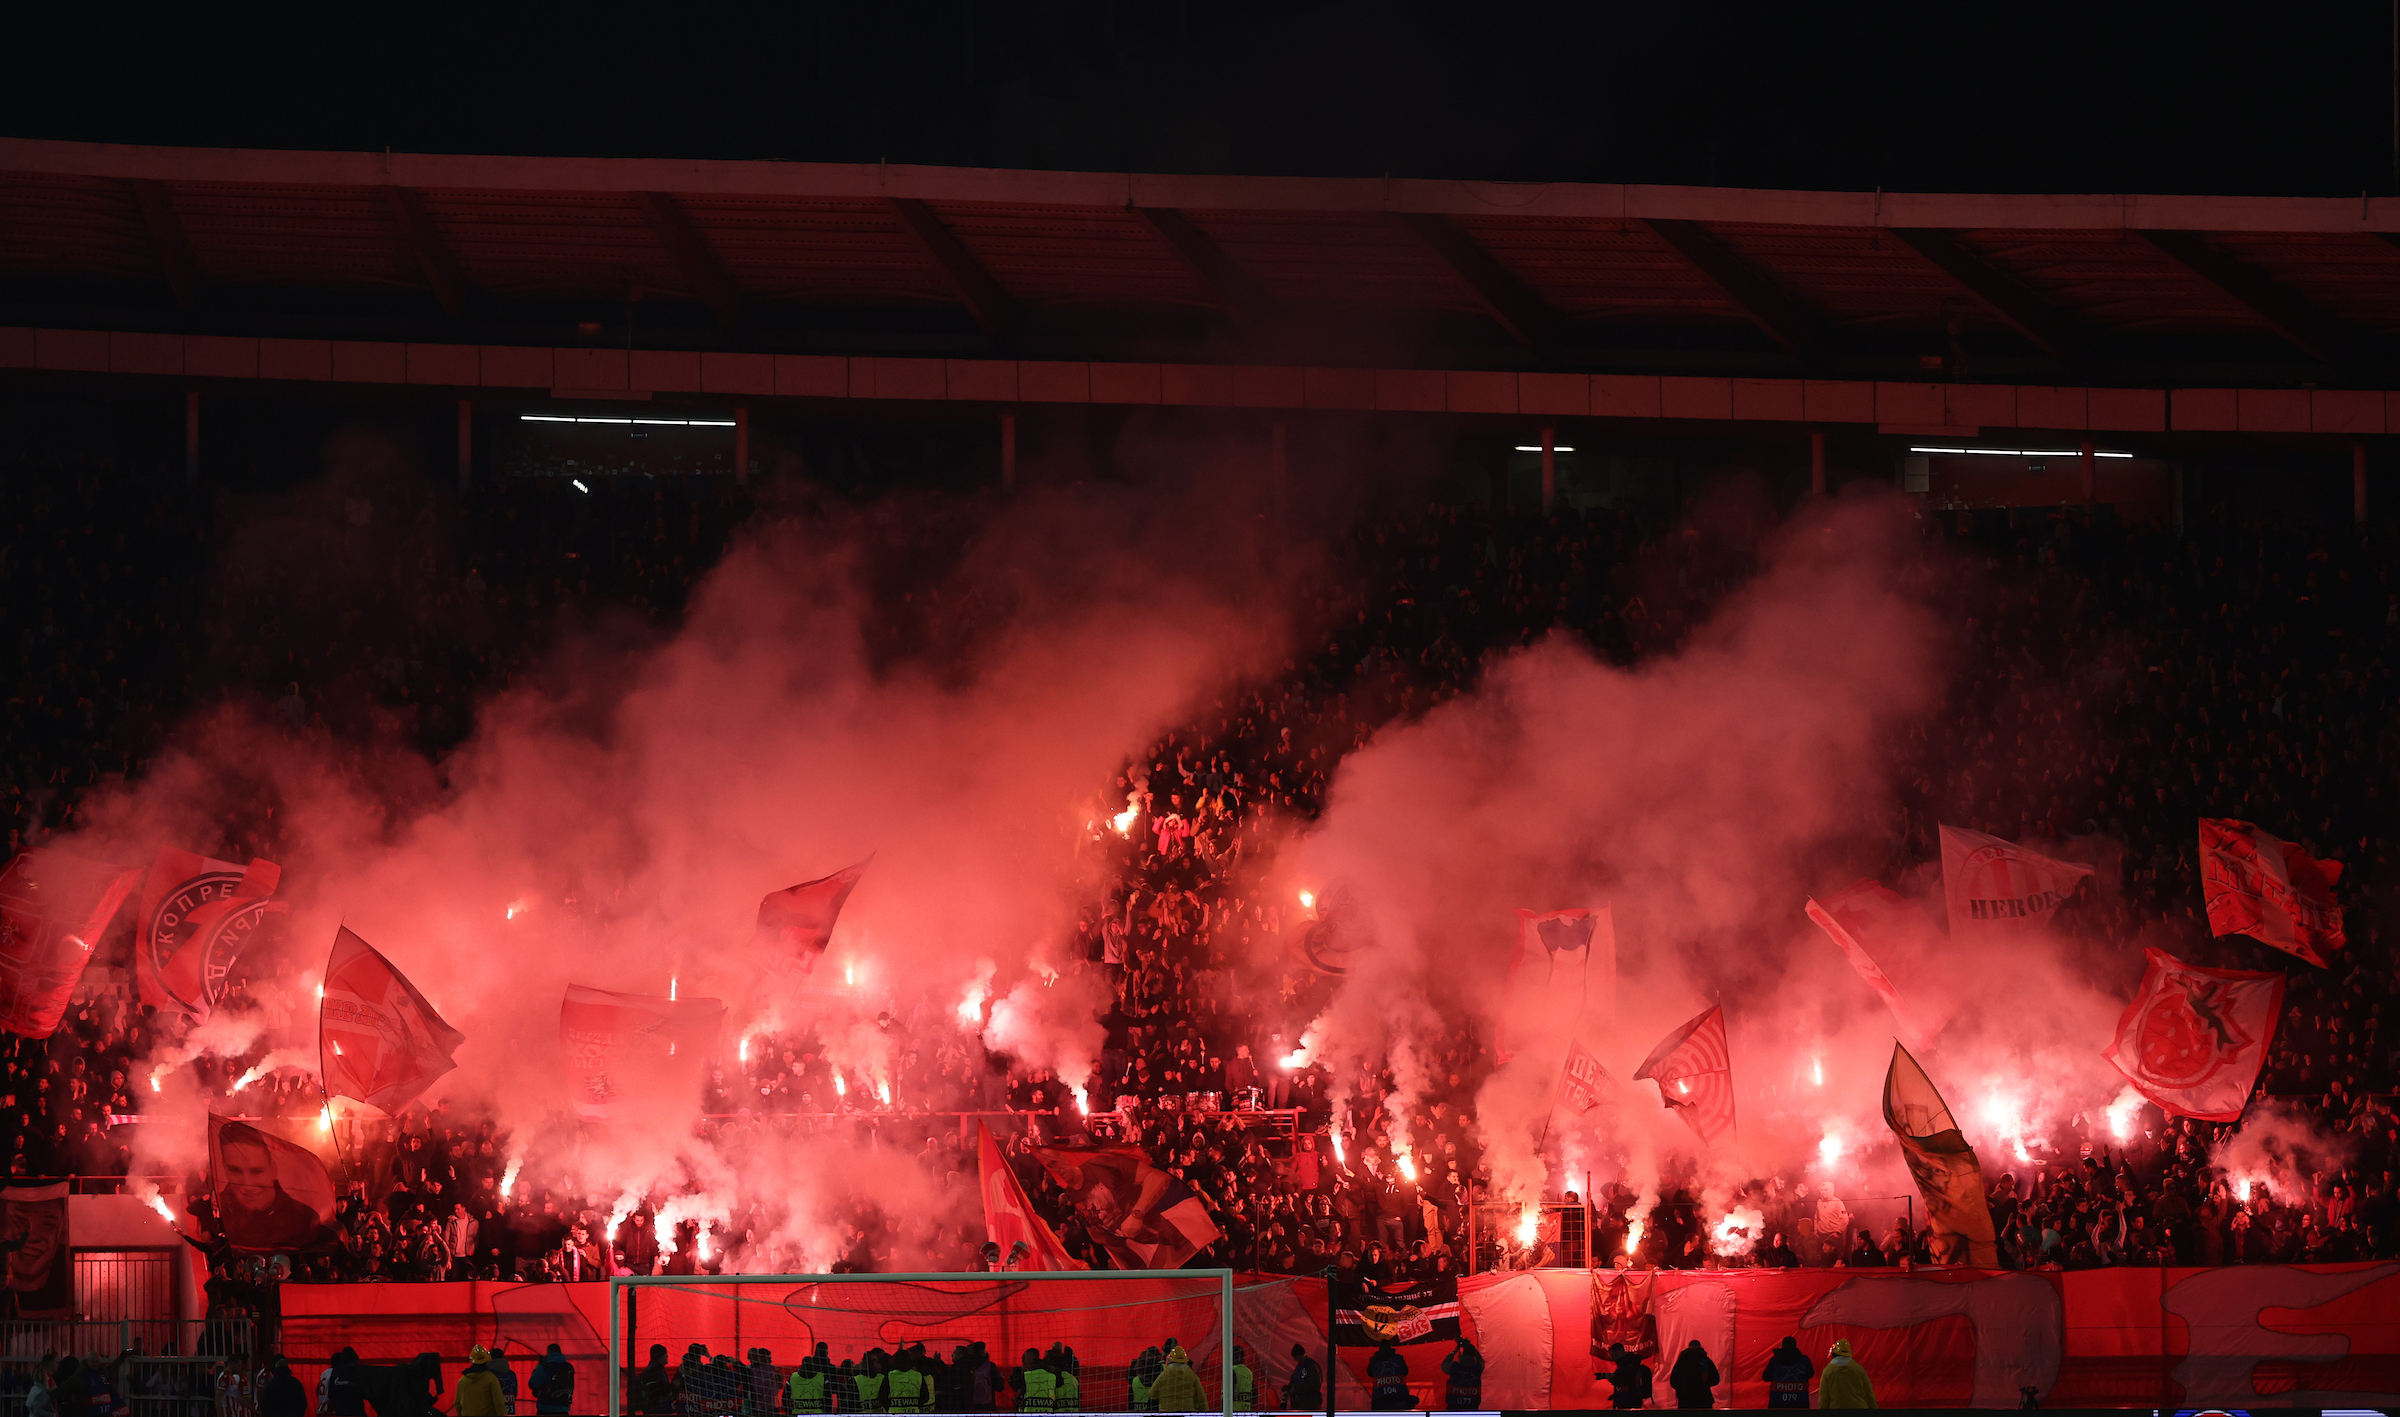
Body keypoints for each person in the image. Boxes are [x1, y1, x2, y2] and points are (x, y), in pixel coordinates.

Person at [1816, 1341, 1874, 1409]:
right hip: (1859, 1410)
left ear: (1834, 1354)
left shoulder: (1828, 1371)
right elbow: (1869, 1392)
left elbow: (1824, 1397)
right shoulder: (1858, 1369)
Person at [1147, 1346, 1204, 1414]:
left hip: (1167, 1412)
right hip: (1187, 1411)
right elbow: (1201, 1398)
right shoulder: (1191, 1375)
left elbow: (1152, 1393)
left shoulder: (1165, 1374)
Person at [1760, 1337, 1812, 1409]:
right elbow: (1811, 1374)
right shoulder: (1804, 1360)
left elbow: (1766, 1377)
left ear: (1782, 1346)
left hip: (1777, 1403)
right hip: (1800, 1404)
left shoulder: (1775, 1361)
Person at [453, 1348, 505, 1417]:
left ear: (472, 1361)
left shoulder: (462, 1381)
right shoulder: (491, 1379)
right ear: (487, 1361)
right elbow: (499, 1402)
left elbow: (457, 1403)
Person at [1667, 1340, 1718, 1410]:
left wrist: (1682, 1389)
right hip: (1703, 1398)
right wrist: (1704, 1385)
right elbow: (1715, 1379)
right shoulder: (1705, 1360)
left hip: (1685, 1400)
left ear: (1688, 1347)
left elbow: (1674, 1381)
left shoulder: (1682, 1361)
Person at [1599, 1343, 1650, 1411]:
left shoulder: (1627, 1365)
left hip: (1629, 1402)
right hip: (1631, 1401)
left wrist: (1609, 1377)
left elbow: (1623, 1379)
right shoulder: (1628, 1364)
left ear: (1618, 1353)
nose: (1612, 1358)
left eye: (1613, 1355)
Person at [527, 1345, 573, 1416]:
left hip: (546, 1407)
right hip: (564, 1408)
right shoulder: (569, 1367)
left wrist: (537, 1368)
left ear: (548, 1352)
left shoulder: (546, 1367)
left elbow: (532, 1383)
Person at [1365, 1343, 1412, 1411]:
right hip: (1399, 1395)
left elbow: (1370, 1373)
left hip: (1380, 1397)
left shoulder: (1374, 1360)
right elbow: (1405, 1372)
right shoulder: (1399, 1358)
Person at [1439, 1339, 1483, 1411]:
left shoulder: (1454, 1367)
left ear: (1462, 1355)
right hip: (1472, 1411)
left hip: (1453, 1410)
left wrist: (1454, 1351)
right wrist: (1470, 1347)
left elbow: (1444, 1365)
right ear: (1473, 1355)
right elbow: (1481, 1360)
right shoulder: (1477, 1368)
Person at [629, 1345, 672, 1415]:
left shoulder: (657, 1369)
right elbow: (654, 1391)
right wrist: (672, 1386)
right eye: (665, 1354)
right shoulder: (654, 1370)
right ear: (660, 1356)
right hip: (656, 1410)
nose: (667, 1356)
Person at [325, 1349, 368, 1417]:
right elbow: (365, 1391)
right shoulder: (356, 1371)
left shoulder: (335, 1372)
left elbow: (331, 1393)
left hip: (340, 1410)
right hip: (356, 1410)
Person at [1012, 1348, 1055, 1413]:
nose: (1024, 1361)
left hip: (1029, 1412)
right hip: (1047, 1411)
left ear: (1032, 1358)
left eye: (1026, 1358)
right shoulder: (1052, 1376)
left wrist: (1018, 1369)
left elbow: (1014, 1384)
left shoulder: (1027, 1376)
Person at [1284, 1344, 1322, 1412]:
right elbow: (1294, 1379)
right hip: (1299, 1403)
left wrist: (1296, 1388)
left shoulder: (1311, 1365)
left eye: (1296, 1357)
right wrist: (1289, 1387)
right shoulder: (1299, 1366)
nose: (1295, 1359)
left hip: (1309, 1403)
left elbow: (1314, 1384)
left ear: (1300, 1355)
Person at [1229, 1345, 1256, 1413]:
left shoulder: (1231, 1371)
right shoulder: (1248, 1372)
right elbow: (1255, 1391)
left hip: (1233, 1409)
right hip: (1246, 1409)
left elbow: (1228, 1391)